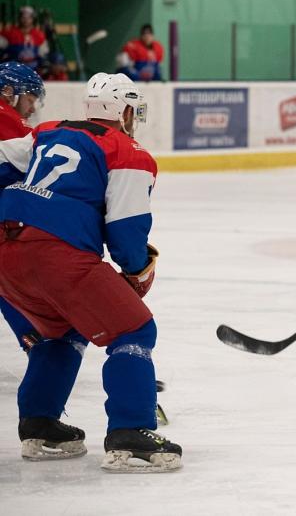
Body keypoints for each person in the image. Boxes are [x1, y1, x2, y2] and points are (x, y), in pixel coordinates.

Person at [0, 72, 182, 471]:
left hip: (5, 250)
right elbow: (125, 228)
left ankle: (41, 425)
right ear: (125, 110)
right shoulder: (128, 151)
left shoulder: (47, 132)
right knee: (134, 329)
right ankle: (130, 434)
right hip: (57, 252)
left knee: (62, 330)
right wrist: (135, 271)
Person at [0, 63, 44, 351]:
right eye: (29, 98)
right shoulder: (5, 117)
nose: (30, 107)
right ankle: (37, 342)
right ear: (9, 92)